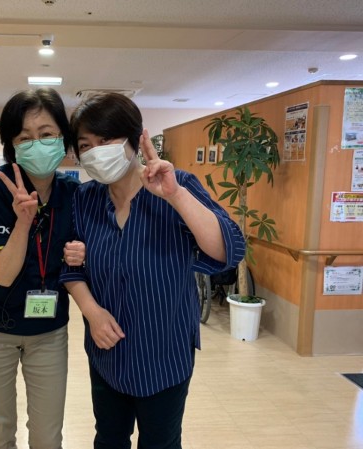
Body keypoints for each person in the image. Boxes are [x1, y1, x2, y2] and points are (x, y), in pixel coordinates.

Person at [61, 93, 246, 449]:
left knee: (161, 443)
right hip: (107, 352)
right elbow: (69, 268)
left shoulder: (178, 185)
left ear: (134, 140)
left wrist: (175, 196)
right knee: (109, 440)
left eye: (106, 140)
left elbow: (230, 251)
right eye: (85, 145)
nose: (95, 152)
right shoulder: (85, 199)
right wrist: (92, 312)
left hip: (163, 352)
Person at [0, 87, 84, 449]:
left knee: (48, 435)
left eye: (46, 134)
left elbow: (82, 258)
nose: (37, 144)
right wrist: (23, 222)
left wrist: (82, 254)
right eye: (24, 138)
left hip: (47, 328)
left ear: (63, 138)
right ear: (11, 145)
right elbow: (2, 274)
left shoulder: (73, 194)